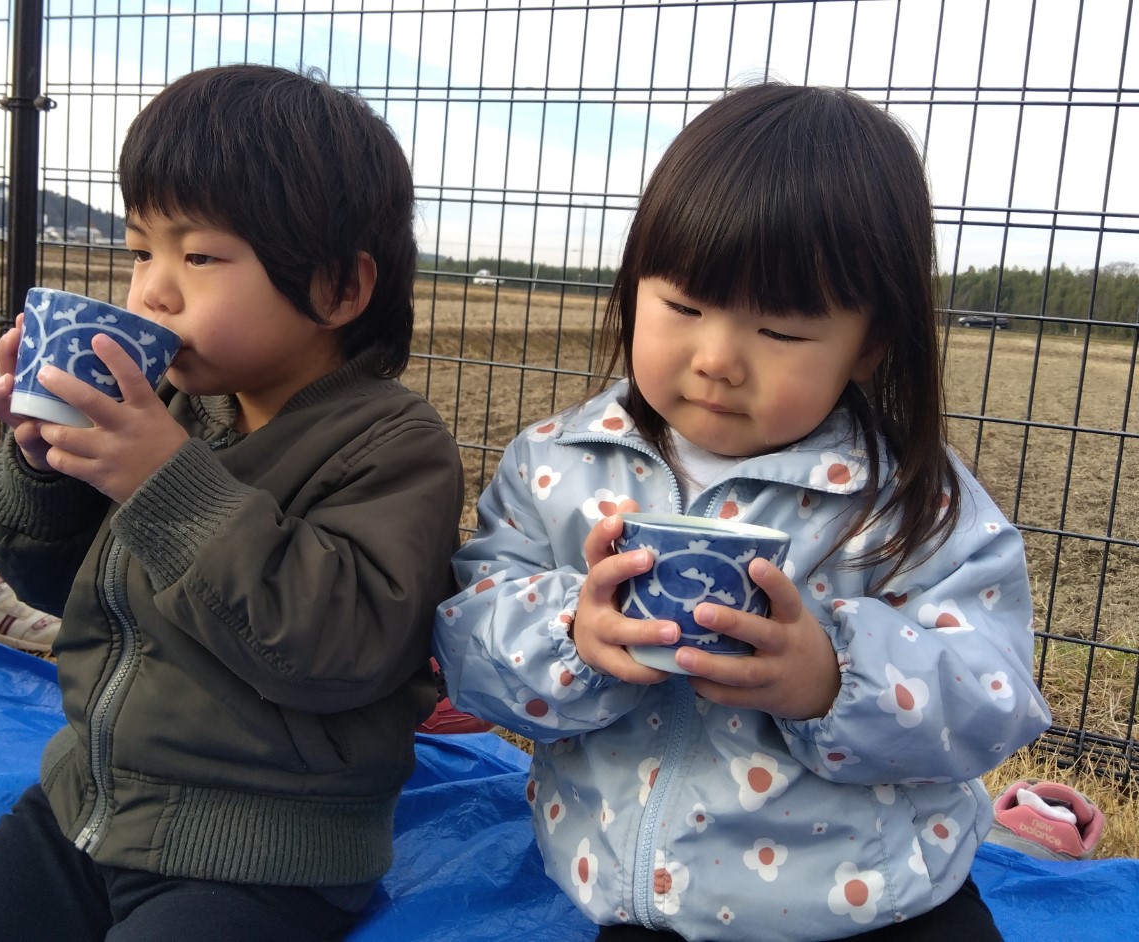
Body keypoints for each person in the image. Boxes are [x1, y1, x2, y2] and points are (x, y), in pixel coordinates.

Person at [433, 83, 1050, 942]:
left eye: (783, 332)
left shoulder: (912, 499)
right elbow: (468, 638)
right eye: (682, 306)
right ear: (632, 289)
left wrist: (834, 677)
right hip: (639, 903)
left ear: (870, 343)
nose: (717, 359)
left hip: (883, 904)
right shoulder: (557, 465)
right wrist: (572, 637)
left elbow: (996, 694)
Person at [0, 64, 463, 941]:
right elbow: (47, 579)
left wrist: (161, 480)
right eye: (143, 249)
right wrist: (44, 468)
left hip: (259, 855)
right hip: (85, 810)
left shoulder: (391, 445)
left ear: (338, 287)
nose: (152, 289)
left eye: (200, 255)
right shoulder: (173, 409)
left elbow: (338, 647)